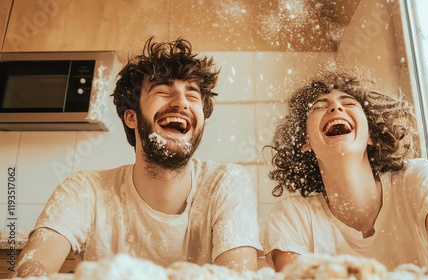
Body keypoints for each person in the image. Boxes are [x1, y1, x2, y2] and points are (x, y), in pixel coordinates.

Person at [14, 37, 262, 277]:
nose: (181, 103)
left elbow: (237, 276)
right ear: (131, 117)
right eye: (163, 91)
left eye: (192, 95)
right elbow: (33, 267)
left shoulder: (226, 183)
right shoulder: (86, 190)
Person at [263, 68, 428, 271]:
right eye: (320, 106)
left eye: (348, 103)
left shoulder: (417, 178)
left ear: (371, 133)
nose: (335, 107)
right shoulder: (291, 218)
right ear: (305, 141)